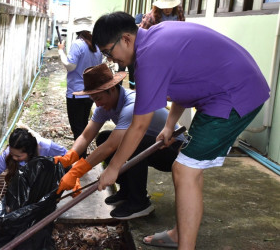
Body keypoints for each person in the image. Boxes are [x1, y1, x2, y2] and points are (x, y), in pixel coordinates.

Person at [91, 12, 270, 249]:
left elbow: (139, 124)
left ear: (125, 39)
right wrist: (168, 126)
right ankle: (180, 233)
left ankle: (185, 244)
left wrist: (114, 167)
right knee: (189, 169)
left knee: (185, 170)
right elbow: (184, 82)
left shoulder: (150, 56)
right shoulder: (155, 38)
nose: (111, 59)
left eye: (108, 51)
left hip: (233, 95)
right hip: (226, 90)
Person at [54, 63, 185, 220]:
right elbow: (85, 136)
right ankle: (127, 191)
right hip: (152, 145)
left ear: (111, 89)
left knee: (133, 142)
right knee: (103, 136)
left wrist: (77, 172)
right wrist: (70, 157)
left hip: (173, 152)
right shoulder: (104, 106)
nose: (97, 104)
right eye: (93, 99)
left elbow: (111, 146)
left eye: (98, 98)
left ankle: (140, 203)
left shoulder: (132, 105)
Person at [58, 16, 103, 157]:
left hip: (75, 94)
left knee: (77, 129)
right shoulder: (97, 45)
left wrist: (60, 51)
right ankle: (82, 156)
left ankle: (80, 159)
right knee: (83, 127)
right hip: (90, 93)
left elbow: (70, 66)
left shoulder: (78, 44)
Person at [0, 127, 67, 182]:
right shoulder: (7, 154)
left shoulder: (47, 147)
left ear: (29, 152)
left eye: (18, 156)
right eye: (12, 153)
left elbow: (68, 157)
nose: (14, 158)